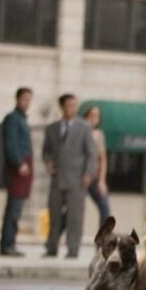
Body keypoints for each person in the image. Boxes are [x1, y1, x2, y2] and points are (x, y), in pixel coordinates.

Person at [43, 94, 97, 259]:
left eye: (75, 105)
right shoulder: (51, 128)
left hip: (77, 179)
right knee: (54, 215)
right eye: (69, 105)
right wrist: (48, 163)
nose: (72, 108)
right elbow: (46, 151)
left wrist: (88, 174)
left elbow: (91, 154)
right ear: (62, 107)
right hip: (57, 179)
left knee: (75, 217)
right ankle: (51, 248)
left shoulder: (85, 127)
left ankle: (73, 250)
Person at [0, 87, 34, 257]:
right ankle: (7, 245)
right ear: (18, 99)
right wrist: (19, 163)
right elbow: (10, 144)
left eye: (29, 99)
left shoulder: (23, 119)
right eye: (24, 99)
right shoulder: (12, 118)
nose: (26, 102)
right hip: (17, 171)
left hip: (23, 170)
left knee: (16, 209)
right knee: (13, 209)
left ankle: (9, 243)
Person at [82, 105, 111, 226]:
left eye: (97, 116)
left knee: (105, 209)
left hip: (94, 178)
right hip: (80, 177)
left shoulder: (99, 134)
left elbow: (103, 159)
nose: (94, 118)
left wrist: (102, 181)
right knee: (71, 210)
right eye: (91, 115)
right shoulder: (80, 132)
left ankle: (102, 240)